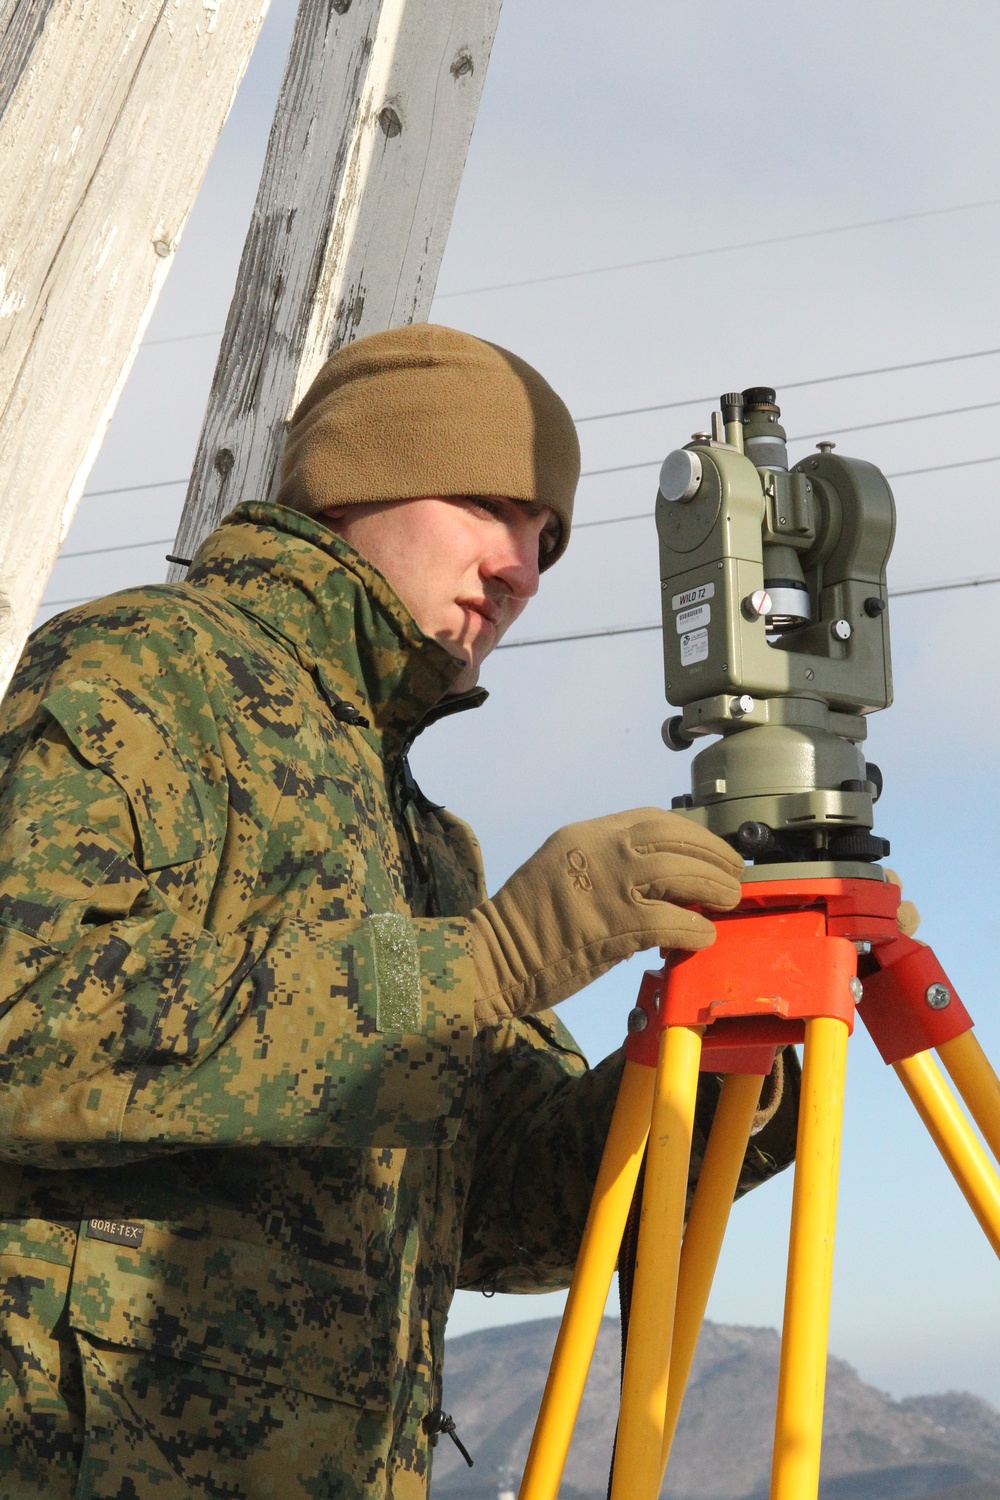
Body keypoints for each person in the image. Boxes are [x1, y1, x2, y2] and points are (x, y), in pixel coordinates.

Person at [0, 324, 798, 1499]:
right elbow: (25, 1029)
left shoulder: (423, 838)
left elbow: (495, 1209)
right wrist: (477, 965)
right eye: (488, 505)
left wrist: (717, 1067)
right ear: (356, 481)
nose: (520, 569)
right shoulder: (139, 674)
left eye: (546, 542)